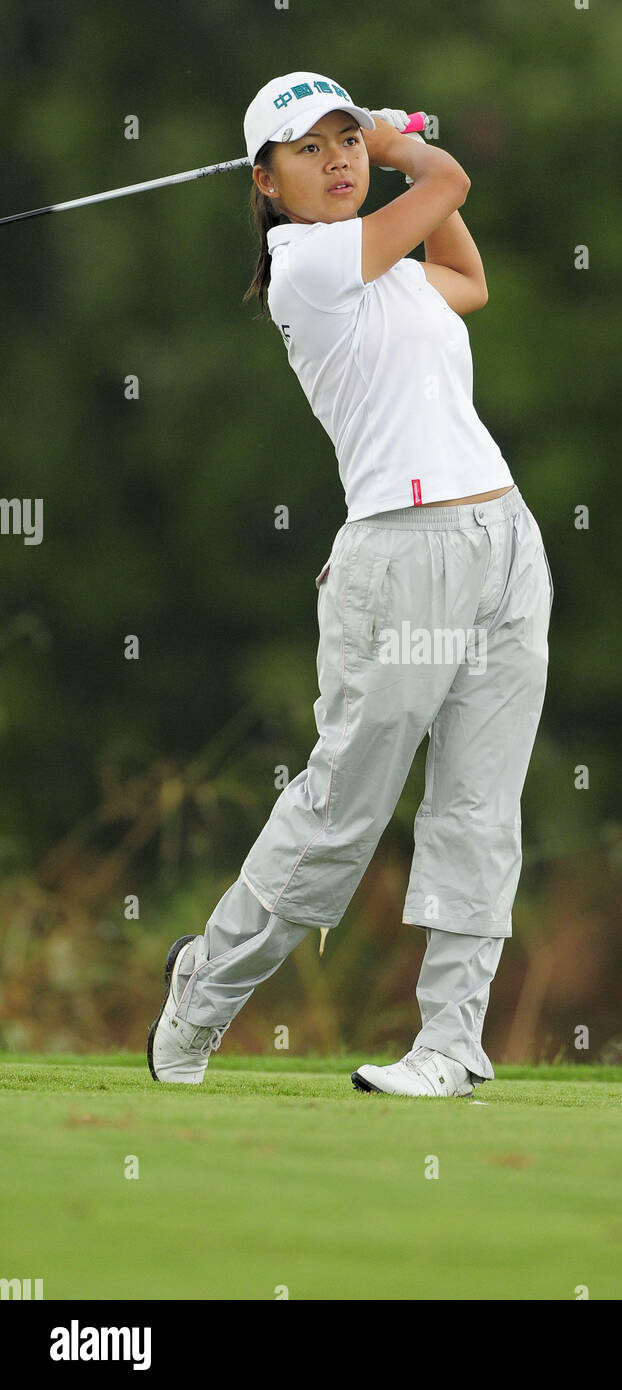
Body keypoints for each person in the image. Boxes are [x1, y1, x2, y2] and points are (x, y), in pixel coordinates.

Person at [148, 70, 553, 1097]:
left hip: (503, 539)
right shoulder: (308, 269)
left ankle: (449, 1044)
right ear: (267, 183)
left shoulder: (385, 271)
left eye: (343, 139)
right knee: (343, 811)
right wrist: (400, 140)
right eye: (311, 147)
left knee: (477, 806)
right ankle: (204, 990)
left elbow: (468, 280)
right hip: (402, 556)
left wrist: (394, 159)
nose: (336, 160)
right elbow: (449, 180)